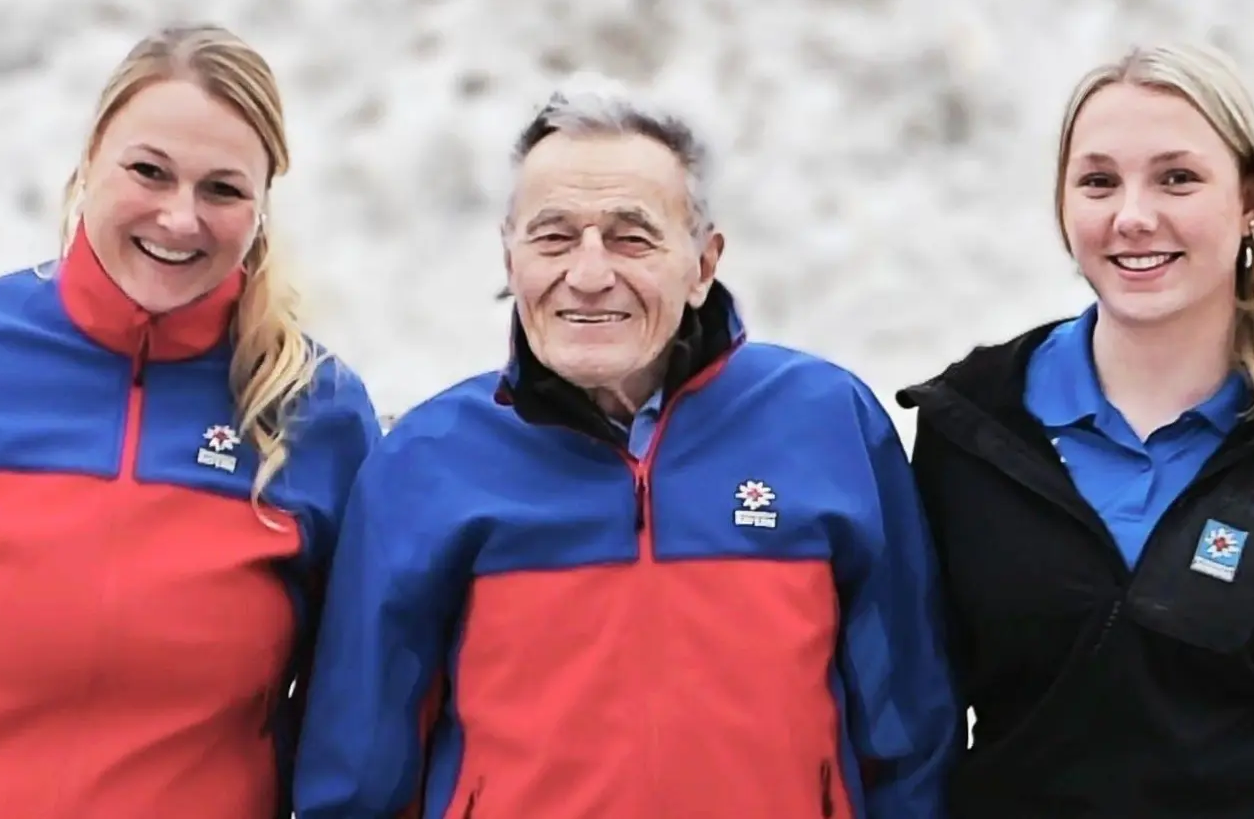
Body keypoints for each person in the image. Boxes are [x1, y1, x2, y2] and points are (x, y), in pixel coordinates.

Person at [293, 76, 959, 819]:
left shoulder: (828, 423)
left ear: (702, 264)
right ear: (510, 259)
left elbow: (910, 731)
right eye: (552, 236)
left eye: (630, 236)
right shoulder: (425, 461)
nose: (587, 275)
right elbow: (357, 770)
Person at [0, 24, 382, 819]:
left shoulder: (317, 412)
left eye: (222, 189)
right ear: (88, 164)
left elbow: (352, 722)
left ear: (262, 207)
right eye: (149, 172)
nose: (180, 219)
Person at [896, 42, 1254, 817]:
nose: (1131, 217)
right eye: (1098, 181)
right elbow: (910, 718)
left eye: (1177, 178)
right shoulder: (968, 430)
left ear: (1251, 201)